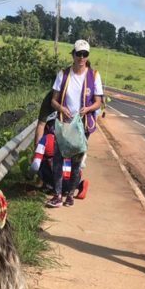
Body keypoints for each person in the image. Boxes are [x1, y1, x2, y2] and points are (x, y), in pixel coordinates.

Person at [47, 39, 104, 208]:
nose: (81, 57)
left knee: (76, 162)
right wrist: (61, 108)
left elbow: (98, 101)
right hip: (64, 123)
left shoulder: (94, 76)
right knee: (58, 158)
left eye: (84, 54)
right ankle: (57, 194)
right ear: (73, 54)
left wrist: (87, 109)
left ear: (87, 56)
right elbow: (53, 101)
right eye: (78, 54)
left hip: (82, 125)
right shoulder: (63, 74)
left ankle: (70, 194)